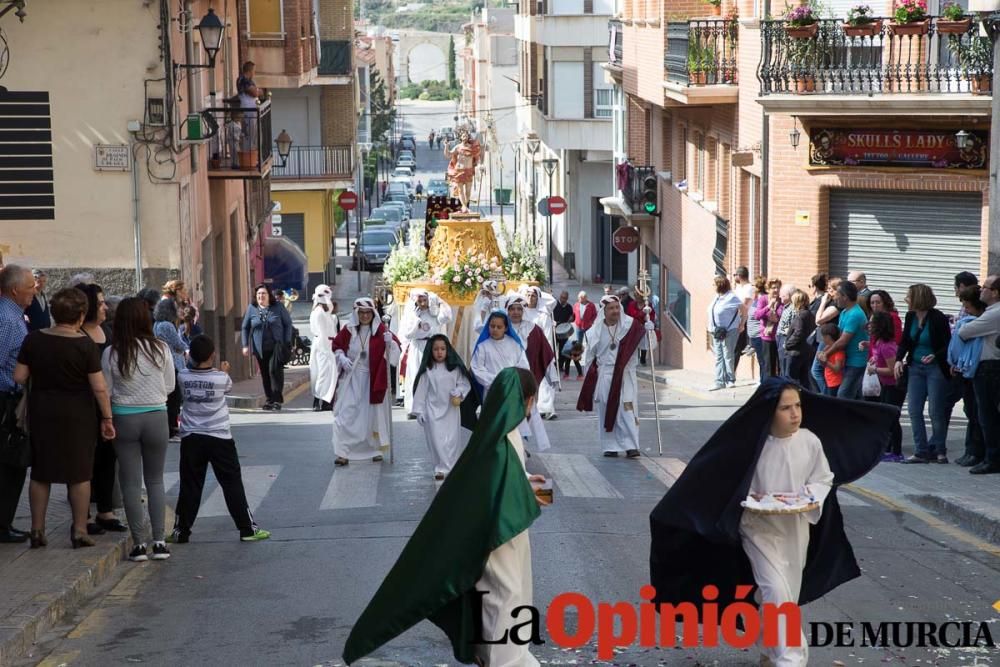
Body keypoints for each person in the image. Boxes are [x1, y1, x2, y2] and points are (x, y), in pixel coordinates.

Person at [650, 379, 897, 666]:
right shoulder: (750, 444)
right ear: (769, 412)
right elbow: (720, 479)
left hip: (795, 527)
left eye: (797, 406)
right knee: (777, 590)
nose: (794, 414)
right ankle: (791, 659)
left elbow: (823, 478)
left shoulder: (809, 441)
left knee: (784, 593)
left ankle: (769, 646)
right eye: (785, 408)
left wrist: (811, 497)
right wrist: (747, 498)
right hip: (757, 528)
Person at [343, 367, 548, 667]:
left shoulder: (501, 435)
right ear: (526, 401)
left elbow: (506, 479)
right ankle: (504, 661)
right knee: (504, 597)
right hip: (497, 538)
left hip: (507, 535)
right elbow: (496, 489)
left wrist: (528, 483)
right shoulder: (498, 443)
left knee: (510, 594)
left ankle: (501, 655)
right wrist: (528, 493)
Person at [13, 288, 116, 549]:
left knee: (41, 473)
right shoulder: (84, 345)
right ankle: (80, 530)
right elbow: (99, 387)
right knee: (79, 474)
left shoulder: (34, 340)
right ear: (81, 316)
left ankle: (37, 529)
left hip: (42, 412)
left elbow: (19, 377)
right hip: (78, 415)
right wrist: (107, 417)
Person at [169, 335, 271, 544]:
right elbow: (226, 387)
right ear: (212, 355)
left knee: (190, 484)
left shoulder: (183, 377)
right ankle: (247, 529)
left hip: (191, 436)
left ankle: (181, 531)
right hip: (219, 437)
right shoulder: (221, 378)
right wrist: (223, 371)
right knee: (231, 483)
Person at [102, 297, 176, 562]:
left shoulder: (112, 352)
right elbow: (169, 386)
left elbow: (106, 390)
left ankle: (138, 545)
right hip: (157, 416)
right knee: (155, 480)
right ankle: (159, 542)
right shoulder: (161, 348)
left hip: (124, 419)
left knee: (130, 484)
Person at [577, 295, 656, 458]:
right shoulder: (594, 332)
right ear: (603, 311)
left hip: (625, 374)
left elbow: (648, 346)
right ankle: (610, 446)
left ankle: (631, 445)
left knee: (628, 409)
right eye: (611, 308)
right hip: (604, 375)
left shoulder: (630, 326)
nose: (615, 311)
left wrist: (649, 330)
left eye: (617, 307)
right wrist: (589, 383)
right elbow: (589, 358)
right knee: (606, 410)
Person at [78, 284, 127, 534]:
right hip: (85, 406)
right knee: (84, 461)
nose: (105, 307)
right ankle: (83, 515)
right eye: (100, 303)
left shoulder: (106, 331)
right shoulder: (77, 334)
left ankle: (105, 511)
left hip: (108, 403)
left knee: (108, 458)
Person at [331, 298, 401, 466]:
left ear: (373, 313)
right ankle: (343, 452)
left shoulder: (381, 330)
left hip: (372, 379)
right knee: (344, 415)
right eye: (361, 313)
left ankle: (374, 450)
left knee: (372, 416)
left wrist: (390, 343)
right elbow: (337, 345)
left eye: (368, 312)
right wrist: (341, 357)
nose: (364, 316)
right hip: (351, 379)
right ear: (356, 314)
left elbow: (396, 351)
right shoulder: (348, 330)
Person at [894, 284, 952, 464]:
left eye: (909, 296)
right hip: (915, 367)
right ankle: (921, 451)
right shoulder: (911, 316)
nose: (906, 299)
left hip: (935, 368)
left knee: (935, 410)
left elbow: (947, 344)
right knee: (913, 409)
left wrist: (935, 355)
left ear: (918, 298)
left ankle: (940, 450)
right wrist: (898, 359)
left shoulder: (937, 318)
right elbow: (905, 341)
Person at [411, 334, 478, 480]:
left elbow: (464, 383)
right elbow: (421, 391)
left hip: (451, 410)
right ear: (430, 351)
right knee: (436, 440)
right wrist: (419, 411)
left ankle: (452, 466)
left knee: (452, 440)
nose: (439, 352)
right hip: (432, 411)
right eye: (436, 349)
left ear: (448, 350)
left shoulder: (454, 368)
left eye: (442, 349)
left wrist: (459, 391)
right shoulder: (428, 370)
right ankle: (440, 468)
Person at [0, 265, 34, 542]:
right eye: (30, 286)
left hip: (12, 396)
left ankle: (5, 522)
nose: (34, 291)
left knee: (14, 464)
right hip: (7, 401)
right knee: (10, 463)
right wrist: (13, 389)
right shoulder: (6, 318)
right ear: (14, 290)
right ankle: (2, 525)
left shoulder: (14, 315)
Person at [958, 275, 1000, 474]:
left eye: (985, 287)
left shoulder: (994, 313)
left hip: (990, 369)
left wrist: (963, 325)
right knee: (984, 415)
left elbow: (964, 332)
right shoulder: (991, 312)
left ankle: (992, 458)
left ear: (995, 293)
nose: (981, 290)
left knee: (988, 416)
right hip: (986, 368)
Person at [505, 296, 555, 448]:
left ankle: (521, 445)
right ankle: (511, 445)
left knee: (525, 413)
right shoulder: (501, 329)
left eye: (519, 309)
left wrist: (551, 376)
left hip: (528, 380)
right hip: (507, 380)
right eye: (512, 309)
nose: (516, 312)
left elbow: (546, 353)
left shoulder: (534, 329)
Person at [947, 285, 987, 468]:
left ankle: (976, 452)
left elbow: (961, 335)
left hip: (975, 369)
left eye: (968, 307)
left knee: (976, 413)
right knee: (970, 412)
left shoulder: (981, 321)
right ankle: (970, 450)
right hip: (965, 369)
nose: (966, 311)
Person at [241, 284, 294, 411]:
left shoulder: (278, 307)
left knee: (274, 371)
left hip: (277, 346)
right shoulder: (251, 308)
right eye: (259, 294)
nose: (261, 296)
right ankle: (269, 399)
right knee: (265, 374)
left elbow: (288, 324)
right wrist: (245, 345)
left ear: (269, 295)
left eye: (263, 293)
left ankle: (276, 400)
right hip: (259, 348)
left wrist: (287, 341)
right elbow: (245, 327)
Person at [400, 289, 453, 415]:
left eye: (425, 300)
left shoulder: (434, 313)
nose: (423, 304)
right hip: (417, 347)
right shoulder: (412, 315)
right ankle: (414, 407)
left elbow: (446, 317)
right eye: (420, 301)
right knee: (416, 375)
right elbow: (408, 334)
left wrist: (440, 302)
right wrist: (416, 322)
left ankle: (433, 404)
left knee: (432, 375)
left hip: (431, 347)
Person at [816, 281, 869, 400]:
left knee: (843, 395)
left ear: (845, 297)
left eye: (837, 295)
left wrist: (826, 354)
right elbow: (838, 337)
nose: (835, 297)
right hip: (847, 359)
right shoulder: (845, 312)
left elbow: (843, 341)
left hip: (856, 361)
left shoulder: (855, 314)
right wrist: (825, 350)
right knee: (853, 395)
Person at [867, 311, 904, 462]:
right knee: (886, 417)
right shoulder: (878, 343)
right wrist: (874, 361)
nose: (869, 326)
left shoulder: (887, 346)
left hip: (894, 386)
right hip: (885, 384)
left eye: (872, 323)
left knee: (892, 418)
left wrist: (874, 369)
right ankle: (887, 448)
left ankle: (897, 451)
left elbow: (892, 370)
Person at [521, 286, 559, 418]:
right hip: (524, 351)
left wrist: (548, 354)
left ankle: (546, 408)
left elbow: (548, 335)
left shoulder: (543, 315)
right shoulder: (521, 313)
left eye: (533, 295)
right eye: (528, 295)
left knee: (544, 380)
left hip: (540, 350)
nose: (530, 298)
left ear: (538, 298)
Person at [154, 298, 187, 438]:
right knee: (174, 398)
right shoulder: (167, 325)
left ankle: (171, 426)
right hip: (172, 363)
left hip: (164, 362)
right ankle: (172, 428)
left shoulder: (157, 324)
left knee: (170, 398)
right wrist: (186, 348)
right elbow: (178, 344)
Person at [707, 275, 743, 390]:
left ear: (719, 285)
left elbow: (744, 309)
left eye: (714, 284)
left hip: (729, 330)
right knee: (719, 356)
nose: (712, 286)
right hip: (716, 331)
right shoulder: (717, 297)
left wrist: (741, 324)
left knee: (728, 355)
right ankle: (719, 381)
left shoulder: (731, 297)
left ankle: (730, 380)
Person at [309, 285, 339, 412]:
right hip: (323, 346)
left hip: (327, 345)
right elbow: (322, 333)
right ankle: (318, 399)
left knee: (328, 374)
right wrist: (326, 350)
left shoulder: (325, 312)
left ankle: (326, 401)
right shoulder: (319, 313)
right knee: (322, 374)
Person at [783, 290, 816, 387]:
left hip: (796, 352)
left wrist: (787, 344)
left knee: (791, 380)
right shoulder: (809, 314)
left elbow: (798, 332)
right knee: (804, 380)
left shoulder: (800, 315)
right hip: (806, 351)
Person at [732, 266, 755, 376]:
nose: (734, 277)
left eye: (734, 275)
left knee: (737, 347)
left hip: (743, 319)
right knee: (733, 347)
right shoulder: (738, 288)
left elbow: (745, 305)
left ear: (739, 275)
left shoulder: (749, 288)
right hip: (735, 319)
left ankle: (732, 373)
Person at [819, 323, 845, 396]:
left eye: (823, 337)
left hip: (836, 382)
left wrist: (826, 361)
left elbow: (837, 368)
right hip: (829, 381)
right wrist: (820, 358)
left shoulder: (838, 351)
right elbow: (823, 365)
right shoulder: (827, 348)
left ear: (828, 337)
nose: (822, 339)